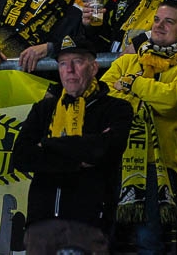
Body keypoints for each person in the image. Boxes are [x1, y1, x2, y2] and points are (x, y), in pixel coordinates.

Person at [11, 36, 133, 254]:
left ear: (94, 67)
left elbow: (104, 150)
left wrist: (47, 144)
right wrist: (78, 159)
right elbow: (21, 157)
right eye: (62, 63)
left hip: (89, 223)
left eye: (77, 61)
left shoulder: (116, 108)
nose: (69, 70)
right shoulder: (43, 109)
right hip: (41, 223)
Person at [100, 1, 177, 254]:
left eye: (169, 21)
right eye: (157, 19)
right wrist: (150, 94)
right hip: (113, 162)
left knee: (149, 244)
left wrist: (133, 84)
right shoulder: (126, 61)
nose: (159, 26)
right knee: (105, 242)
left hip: (156, 169)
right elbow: (103, 102)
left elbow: (172, 101)